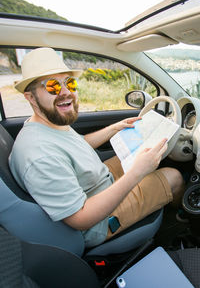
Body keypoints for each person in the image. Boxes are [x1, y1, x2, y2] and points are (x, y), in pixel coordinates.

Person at [9, 47, 184, 248]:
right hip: (98, 221)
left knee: (144, 151)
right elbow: (81, 219)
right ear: (30, 97)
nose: (66, 92)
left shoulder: (45, 126)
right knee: (174, 176)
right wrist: (136, 173)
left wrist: (115, 128)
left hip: (95, 182)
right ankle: (180, 221)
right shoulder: (39, 155)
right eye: (52, 86)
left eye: (70, 83)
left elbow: (76, 144)